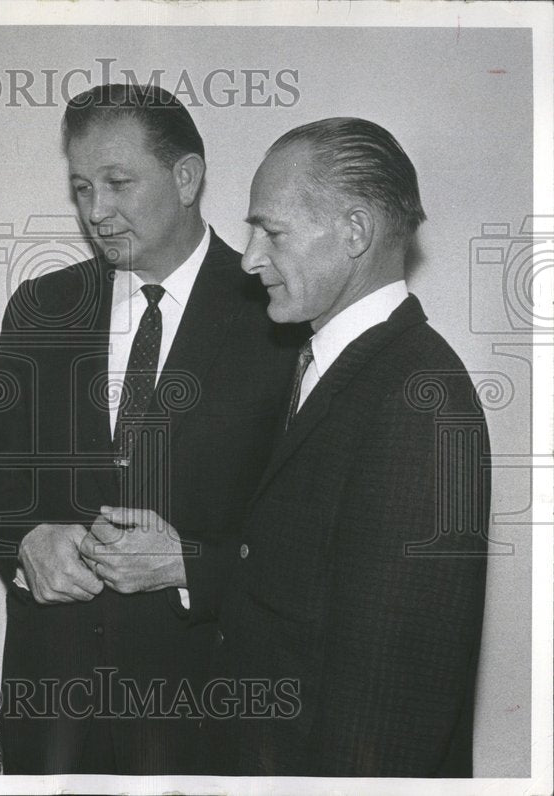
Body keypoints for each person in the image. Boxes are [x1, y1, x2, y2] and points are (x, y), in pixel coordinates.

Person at [0, 84, 302, 774]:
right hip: (50, 699)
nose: (96, 211)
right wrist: (25, 539)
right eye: (83, 187)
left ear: (187, 177)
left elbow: (303, 527)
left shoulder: (275, 316)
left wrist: (192, 566)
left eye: (118, 183)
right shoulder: (43, 305)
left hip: (204, 708)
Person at [199, 117, 489, 776]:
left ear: (354, 232)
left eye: (271, 232)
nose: (249, 258)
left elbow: (387, 713)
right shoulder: (324, 366)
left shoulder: (421, 398)